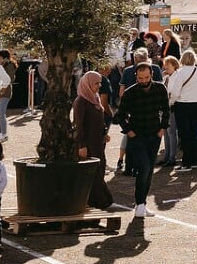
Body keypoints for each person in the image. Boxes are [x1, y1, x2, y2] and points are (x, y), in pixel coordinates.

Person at [115, 59, 171, 216]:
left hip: (154, 134)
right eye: (141, 78)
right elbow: (120, 115)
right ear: (136, 77)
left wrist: (162, 128)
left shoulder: (160, 88)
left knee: (149, 170)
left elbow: (166, 110)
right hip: (137, 135)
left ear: (151, 74)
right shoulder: (130, 92)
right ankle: (139, 203)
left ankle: (142, 204)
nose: (144, 81)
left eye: (146, 78)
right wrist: (128, 131)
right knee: (144, 167)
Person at [73, 70, 114, 210]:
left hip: (98, 142)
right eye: (96, 83)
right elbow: (78, 125)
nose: (98, 86)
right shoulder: (81, 102)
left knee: (100, 168)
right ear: (88, 83)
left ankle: (98, 201)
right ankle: (101, 201)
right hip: (88, 144)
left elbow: (100, 119)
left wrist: (104, 133)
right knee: (93, 173)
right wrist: (81, 145)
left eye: (99, 83)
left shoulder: (94, 98)